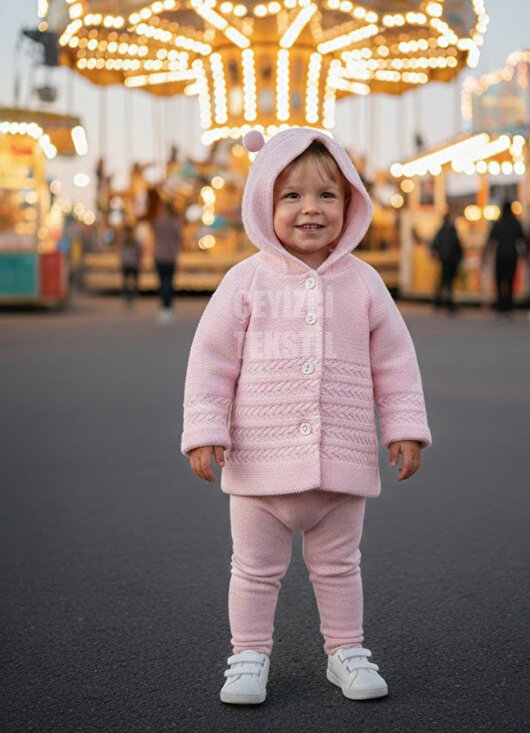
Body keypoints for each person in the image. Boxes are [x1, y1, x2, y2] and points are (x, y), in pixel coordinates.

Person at [181, 127, 432, 705]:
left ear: (350, 205)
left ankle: (345, 651)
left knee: (340, 567)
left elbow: (394, 361)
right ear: (263, 204)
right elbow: (212, 359)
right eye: (290, 195)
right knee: (253, 570)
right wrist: (205, 430)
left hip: (340, 460)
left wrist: (403, 427)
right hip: (260, 461)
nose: (310, 209)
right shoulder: (245, 281)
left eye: (326, 195)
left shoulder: (364, 284)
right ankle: (247, 655)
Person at [484, 201, 527, 318]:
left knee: (500, 280)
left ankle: (500, 304)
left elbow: (491, 241)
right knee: (510, 280)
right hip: (512, 255)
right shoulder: (515, 223)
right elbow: (522, 240)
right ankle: (509, 305)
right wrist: (525, 255)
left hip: (500, 254)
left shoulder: (498, 223)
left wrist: (485, 255)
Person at [152, 199, 182, 323]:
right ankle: (168, 307)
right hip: (171, 255)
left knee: (161, 282)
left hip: (159, 255)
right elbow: (179, 238)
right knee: (169, 282)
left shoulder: (157, 223)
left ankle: (163, 307)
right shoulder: (176, 223)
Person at [431, 211, 463, 313]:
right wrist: (459, 257)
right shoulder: (451, 229)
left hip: (444, 259)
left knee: (444, 281)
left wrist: (438, 254)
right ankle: (448, 303)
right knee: (448, 282)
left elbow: (435, 243)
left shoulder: (441, 229)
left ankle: (439, 301)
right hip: (451, 259)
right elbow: (457, 244)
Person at [118, 223, 142, 307]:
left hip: (128, 263)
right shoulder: (133, 242)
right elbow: (139, 253)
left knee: (127, 282)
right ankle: (131, 296)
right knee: (132, 282)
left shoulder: (126, 242)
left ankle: (128, 296)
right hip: (132, 263)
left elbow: (121, 253)